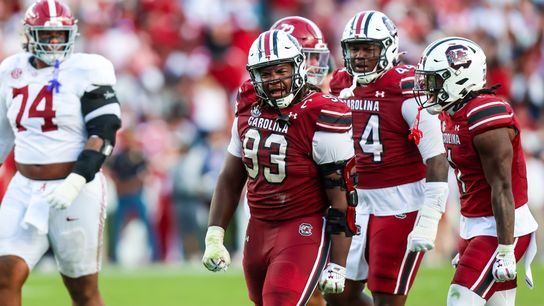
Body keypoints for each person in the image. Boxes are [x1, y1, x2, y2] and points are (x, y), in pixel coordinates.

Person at [202, 29, 358, 306]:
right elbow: (230, 176)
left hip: (302, 225)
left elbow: (341, 195)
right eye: (265, 73)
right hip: (259, 225)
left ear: (298, 67)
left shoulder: (319, 112)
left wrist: (338, 263)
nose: (274, 79)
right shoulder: (248, 106)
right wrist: (215, 234)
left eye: (280, 70)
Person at [0, 1, 121, 305]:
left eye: (60, 34)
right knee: (4, 273)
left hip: (76, 185)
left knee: (82, 290)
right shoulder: (10, 70)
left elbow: (103, 132)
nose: (54, 41)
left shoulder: (88, 68)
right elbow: (2, 136)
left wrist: (77, 180)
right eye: (47, 34)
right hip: (23, 185)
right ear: (29, 35)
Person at [327, 10, 450, 306]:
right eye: (354, 48)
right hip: (356, 200)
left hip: (401, 201)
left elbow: (436, 157)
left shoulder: (409, 87)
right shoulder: (342, 84)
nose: (359, 56)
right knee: (338, 296)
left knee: (387, 298)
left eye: (368, 48)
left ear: (388, 47)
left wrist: (430, 217)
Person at [413, 36, 538, 306]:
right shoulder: (451, 112)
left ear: (458, 78)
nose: (428, 89)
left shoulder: (485, 115)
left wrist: (505, 249)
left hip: (503, 227)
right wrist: (467, 234)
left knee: (459, 300)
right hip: (477, 224)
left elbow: (502, 186)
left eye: (434, 80)